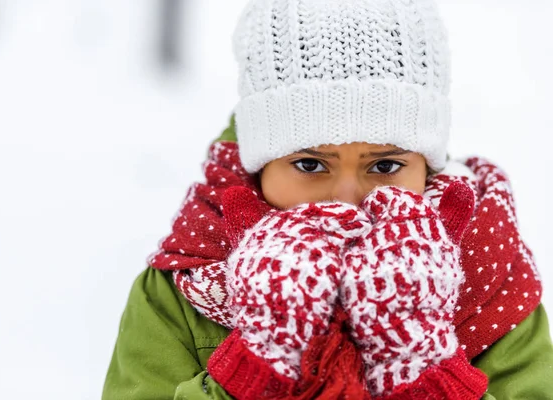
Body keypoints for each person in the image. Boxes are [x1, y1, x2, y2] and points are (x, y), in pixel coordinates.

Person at [102, 0, 553, 398]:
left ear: (427, 167)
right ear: (260, 168)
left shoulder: (490, 276)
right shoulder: (186, 284)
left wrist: (424, 370)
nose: (346, 200)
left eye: (384, 166)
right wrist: (254, 366)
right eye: (310, 165)